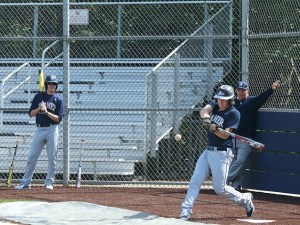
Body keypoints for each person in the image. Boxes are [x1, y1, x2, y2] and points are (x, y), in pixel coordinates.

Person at [180, 85, 254, 221]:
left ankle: (245, 199)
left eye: (224, 99)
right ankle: (185, 211)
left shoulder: (234, 113)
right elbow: (204, 111)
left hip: (222, 154)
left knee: (220, 189)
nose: (221, 101)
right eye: (219, 99)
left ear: (231, 99)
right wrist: (207, 119)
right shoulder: (215, 104)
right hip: (208, 151)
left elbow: (225, 136)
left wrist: (214, 129)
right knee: (195, 181)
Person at [227, 80, 281, 191]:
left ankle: (225, 180)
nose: (241, 92)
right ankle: (236, 184)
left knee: (240, 160)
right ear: (236, 91)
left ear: (247, 90)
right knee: (234, 162)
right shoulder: (231, 103)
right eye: (239, 90)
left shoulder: (252, 101)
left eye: (244, 90)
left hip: (246, 139)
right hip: (232, 137)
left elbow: (262, 97)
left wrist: (271, 89)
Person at [15, 75, 64, 191]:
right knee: (32, 156)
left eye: (54, 84)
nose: (52, 86)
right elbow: (31, 114)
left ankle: (49, 182)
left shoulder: (58, 100)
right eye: (50, 83)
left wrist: (46, 111)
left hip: (52, 129)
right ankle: (26, 182)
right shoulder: (38, 97)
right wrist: (39, 109)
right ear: (46, 84)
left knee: (52, 157)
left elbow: (58, 119)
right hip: (39, 129)